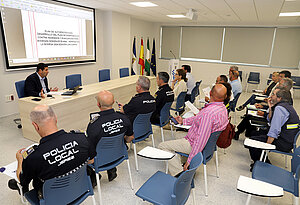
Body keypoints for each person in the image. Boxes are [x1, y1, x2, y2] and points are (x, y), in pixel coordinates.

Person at [8, 105, 94, 196]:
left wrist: (20, 160)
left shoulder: (34, 157)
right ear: (56, 118)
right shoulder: (82, 138)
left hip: (52, 197)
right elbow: (91, 161)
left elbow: (22, 180)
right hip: (80, 188)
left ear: (35, 125)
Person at [158, 84, 229, 176]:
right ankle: (181, 161)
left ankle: (179, 174)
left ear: (210, 93)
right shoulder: (222, 109)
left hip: (194, 144)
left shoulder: (208, 113)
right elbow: (200, 118)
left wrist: (190, 161)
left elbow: (201, 139)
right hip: (208, 146)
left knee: (162, 146)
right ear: (225, 97)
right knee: (177, 134)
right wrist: (184, 121)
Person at [86, 90, 134, 181]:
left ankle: (93, 178)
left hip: (100, 160)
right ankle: (111, 169)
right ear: (113, 102)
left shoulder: (94, 125)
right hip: (119, 154)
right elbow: (130, 138)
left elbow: (91, 154)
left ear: (98, 104)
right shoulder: (124, 118)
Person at [247, 87, 299, 171]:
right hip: (288, 140)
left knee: (252, 141)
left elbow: (274, 130)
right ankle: (262, 160)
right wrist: (270, 108)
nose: (271, 96)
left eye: (273, 94)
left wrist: (266, 146)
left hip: (283, 142)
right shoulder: (287, 106)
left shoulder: (279, 109)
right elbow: (270, 120)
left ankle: (263, 164)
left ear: (279, 98)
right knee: (255, 135)